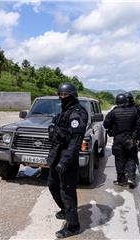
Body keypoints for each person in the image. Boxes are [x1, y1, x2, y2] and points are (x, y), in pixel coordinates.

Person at [46, 83, 88, 239]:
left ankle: (73, 226)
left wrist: (64, 161)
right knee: (52, 185)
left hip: (67, 156)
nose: (62, 97)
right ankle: (65, 210)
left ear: (73, 95)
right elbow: (58, 125)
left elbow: (75, 141)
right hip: (56, 152)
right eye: (61, 95)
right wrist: (52, 128)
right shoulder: (65, 110)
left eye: (65, 95)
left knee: (67, 191)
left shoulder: (77, 113)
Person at [103, 93, 140, 188]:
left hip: (118, 139)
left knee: (119, 159)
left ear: (117, 102)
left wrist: (112, 126)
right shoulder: (134, 110)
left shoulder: (114, 112)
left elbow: (106, 124)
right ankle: (131, 178)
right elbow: (137, 124)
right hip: (130, 138)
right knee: (131, 158)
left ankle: (121, 180)